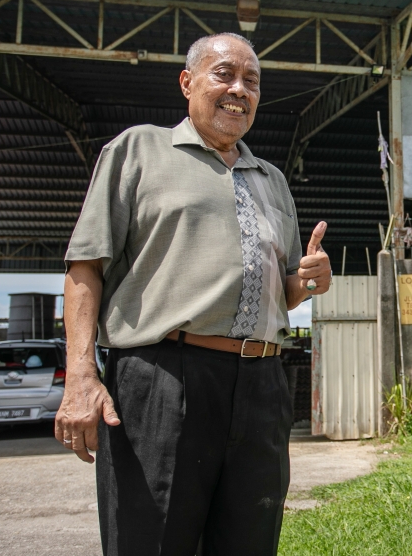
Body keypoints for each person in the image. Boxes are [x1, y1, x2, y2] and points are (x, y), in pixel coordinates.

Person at [55, 32, 331, 555]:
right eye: (224, 74)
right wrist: (81, 375)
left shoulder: (271, 179)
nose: (239, 90)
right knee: (151, 542)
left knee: (249, 543)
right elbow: (85, 266)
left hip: (262, 385)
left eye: (251, 81)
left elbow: (283, 293)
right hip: (163, 380)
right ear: (187, 82)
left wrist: (308, 279)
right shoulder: (139, 149)